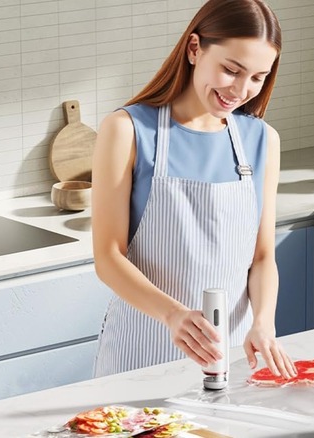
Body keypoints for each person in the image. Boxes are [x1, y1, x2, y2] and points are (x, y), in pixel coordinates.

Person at [91, 0, 296, 380]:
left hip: (231, 355)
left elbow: (263, 257)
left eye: (258, 77)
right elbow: (108, 257)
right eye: (231, 70)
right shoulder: (127, 130)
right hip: (141, 351)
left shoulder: (262, 140)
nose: (241, 90)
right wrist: (174, 316)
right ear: (194, 48)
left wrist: (263, 323)